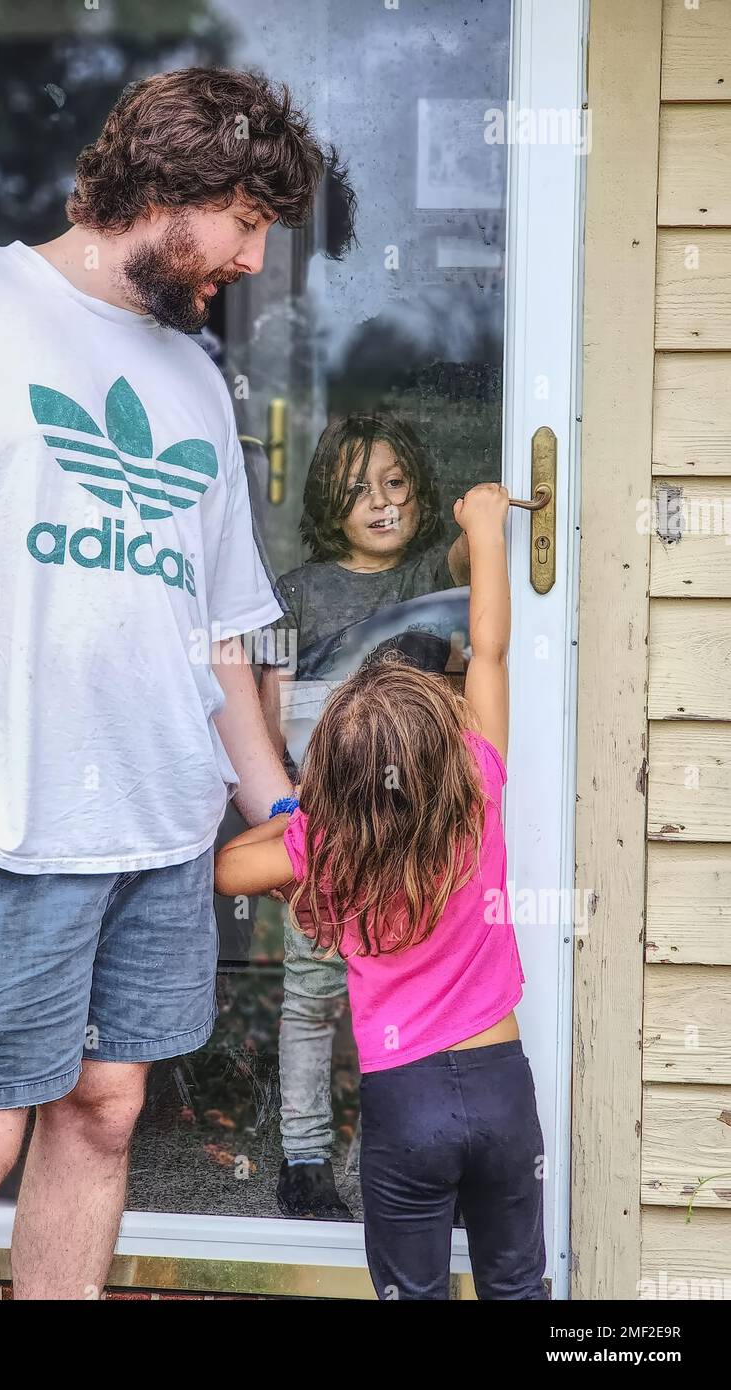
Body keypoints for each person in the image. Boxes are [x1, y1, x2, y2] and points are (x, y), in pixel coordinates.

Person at [0, 66, 329, 1300]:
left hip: (152, 836)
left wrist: (283, 815)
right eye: (247, 220)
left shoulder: (194, 381)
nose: (253, 257)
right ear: (180, 188)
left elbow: (220, 638)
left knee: (100, 1115)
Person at [215, 482, 549, 1300]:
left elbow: (226, 870)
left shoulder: (326, 843)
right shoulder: (478, 783)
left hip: (405, 1103)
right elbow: (491, 648)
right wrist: (483, 531)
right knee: (517, 1285)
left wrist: (301, 822)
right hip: (502, 1084)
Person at [256, 412, 470, 1220]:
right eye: (356, 491)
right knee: (312, 992)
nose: (380, 503)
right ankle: (302, 1158)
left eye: (395, 484)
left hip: (415, 828)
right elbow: (269, 705)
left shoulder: (425, 576)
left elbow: (466, 560)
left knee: (417, 987)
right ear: (326, 501)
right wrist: (280, 801)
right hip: (327, 823)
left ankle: (414, 1150)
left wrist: (482, 518)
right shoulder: (299, 592)